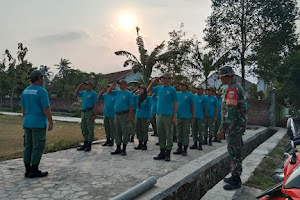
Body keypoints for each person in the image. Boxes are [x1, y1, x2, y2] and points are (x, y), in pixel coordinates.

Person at [217, 66, 246, 190]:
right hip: (236, 126)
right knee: (235, 151)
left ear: (226, 76)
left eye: (221, 77)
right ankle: (234, 174)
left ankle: (236, 179)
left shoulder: (233, 89)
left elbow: (230, 112)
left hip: (233, 127)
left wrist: (222, 129)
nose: (220, 79)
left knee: (234, 152)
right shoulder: (233, 87)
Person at [21, 70, 53, 178]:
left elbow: (23, 108)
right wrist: (51, 121)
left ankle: (27, 170)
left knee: (28, 146)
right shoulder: (42, 91)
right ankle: (34, 170)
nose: (43, 80)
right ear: (39, 78)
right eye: (42, 77)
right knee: (38, 146)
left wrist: (26, 119)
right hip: (38, 123)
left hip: (27, 121)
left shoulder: (25, 91)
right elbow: (46, 108)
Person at [147, 73, 177, 161]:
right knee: (161, 134)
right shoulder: (159, 88)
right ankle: (162, 151)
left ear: (169, 79)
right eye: (162, 78)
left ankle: (168, 153)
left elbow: (175, 103)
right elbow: (148, 91)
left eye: (165, 78)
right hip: (159, 114)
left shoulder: (172, 90)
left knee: (169, 134)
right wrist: (153, 82)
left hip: (168, 115)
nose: (163, 80)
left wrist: (174, 116)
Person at [107, 79, 133, 156]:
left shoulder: (128, 93)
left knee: (124, 131)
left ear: (125, 84)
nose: (120, 85)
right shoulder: (117, 92)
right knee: (117, 131)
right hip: (117, 114)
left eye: (121, 84)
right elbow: (108, 92)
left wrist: (129, 116)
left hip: (124, 114)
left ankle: (124, 148)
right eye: (119, 84)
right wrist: (112, 85)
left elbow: (131, 105)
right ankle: (118, 147)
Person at [75, 81, 99, 151]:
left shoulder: (93, 93)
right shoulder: (84, 92)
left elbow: (95, 105)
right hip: (83, 112)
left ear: (91, 86)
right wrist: (79, 86)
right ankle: (85, 143)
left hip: (89, 111)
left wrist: (94, 114)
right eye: (85, 86)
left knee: (90, 128)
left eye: (87, 85)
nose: (86, 87)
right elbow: (76, 94)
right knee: (84, 127)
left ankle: (89, 144)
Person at [173, 81, 194, 156]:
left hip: (186, 116)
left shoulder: (190, 95)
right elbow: (172, 92)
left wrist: (192, 116)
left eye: (183, 85)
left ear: (186, 86)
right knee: (178, 132)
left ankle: (185, 149)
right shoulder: (177, 94)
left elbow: (192, 106)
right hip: (178, 116)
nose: (181, 86)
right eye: (180, 85)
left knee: (185, 133)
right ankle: (179, 148)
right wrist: (174, 87)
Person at [133, 86, 151, 150]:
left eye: (141, 89)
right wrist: (135, 92)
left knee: (144, 130)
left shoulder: (148, 98)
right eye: (139, 89)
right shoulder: (138, 97)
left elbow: (149, 108)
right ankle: (140, 143)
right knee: (138, 129)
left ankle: (145, 144)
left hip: (144, 116)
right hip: (138, 115)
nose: (140, 90)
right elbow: (132, 97)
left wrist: (148, 117)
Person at [190, 86, 206, 150]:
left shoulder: (204, 98)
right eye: (197, 89)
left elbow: (205, 108)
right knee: (194, 131)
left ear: (202, 90)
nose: (198, 90)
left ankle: (200, 144)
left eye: (199, 89)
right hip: (194, 116)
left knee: (200, 130)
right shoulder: (194, 97)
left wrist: (204, 117)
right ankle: (195, 143)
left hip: (200, 116)